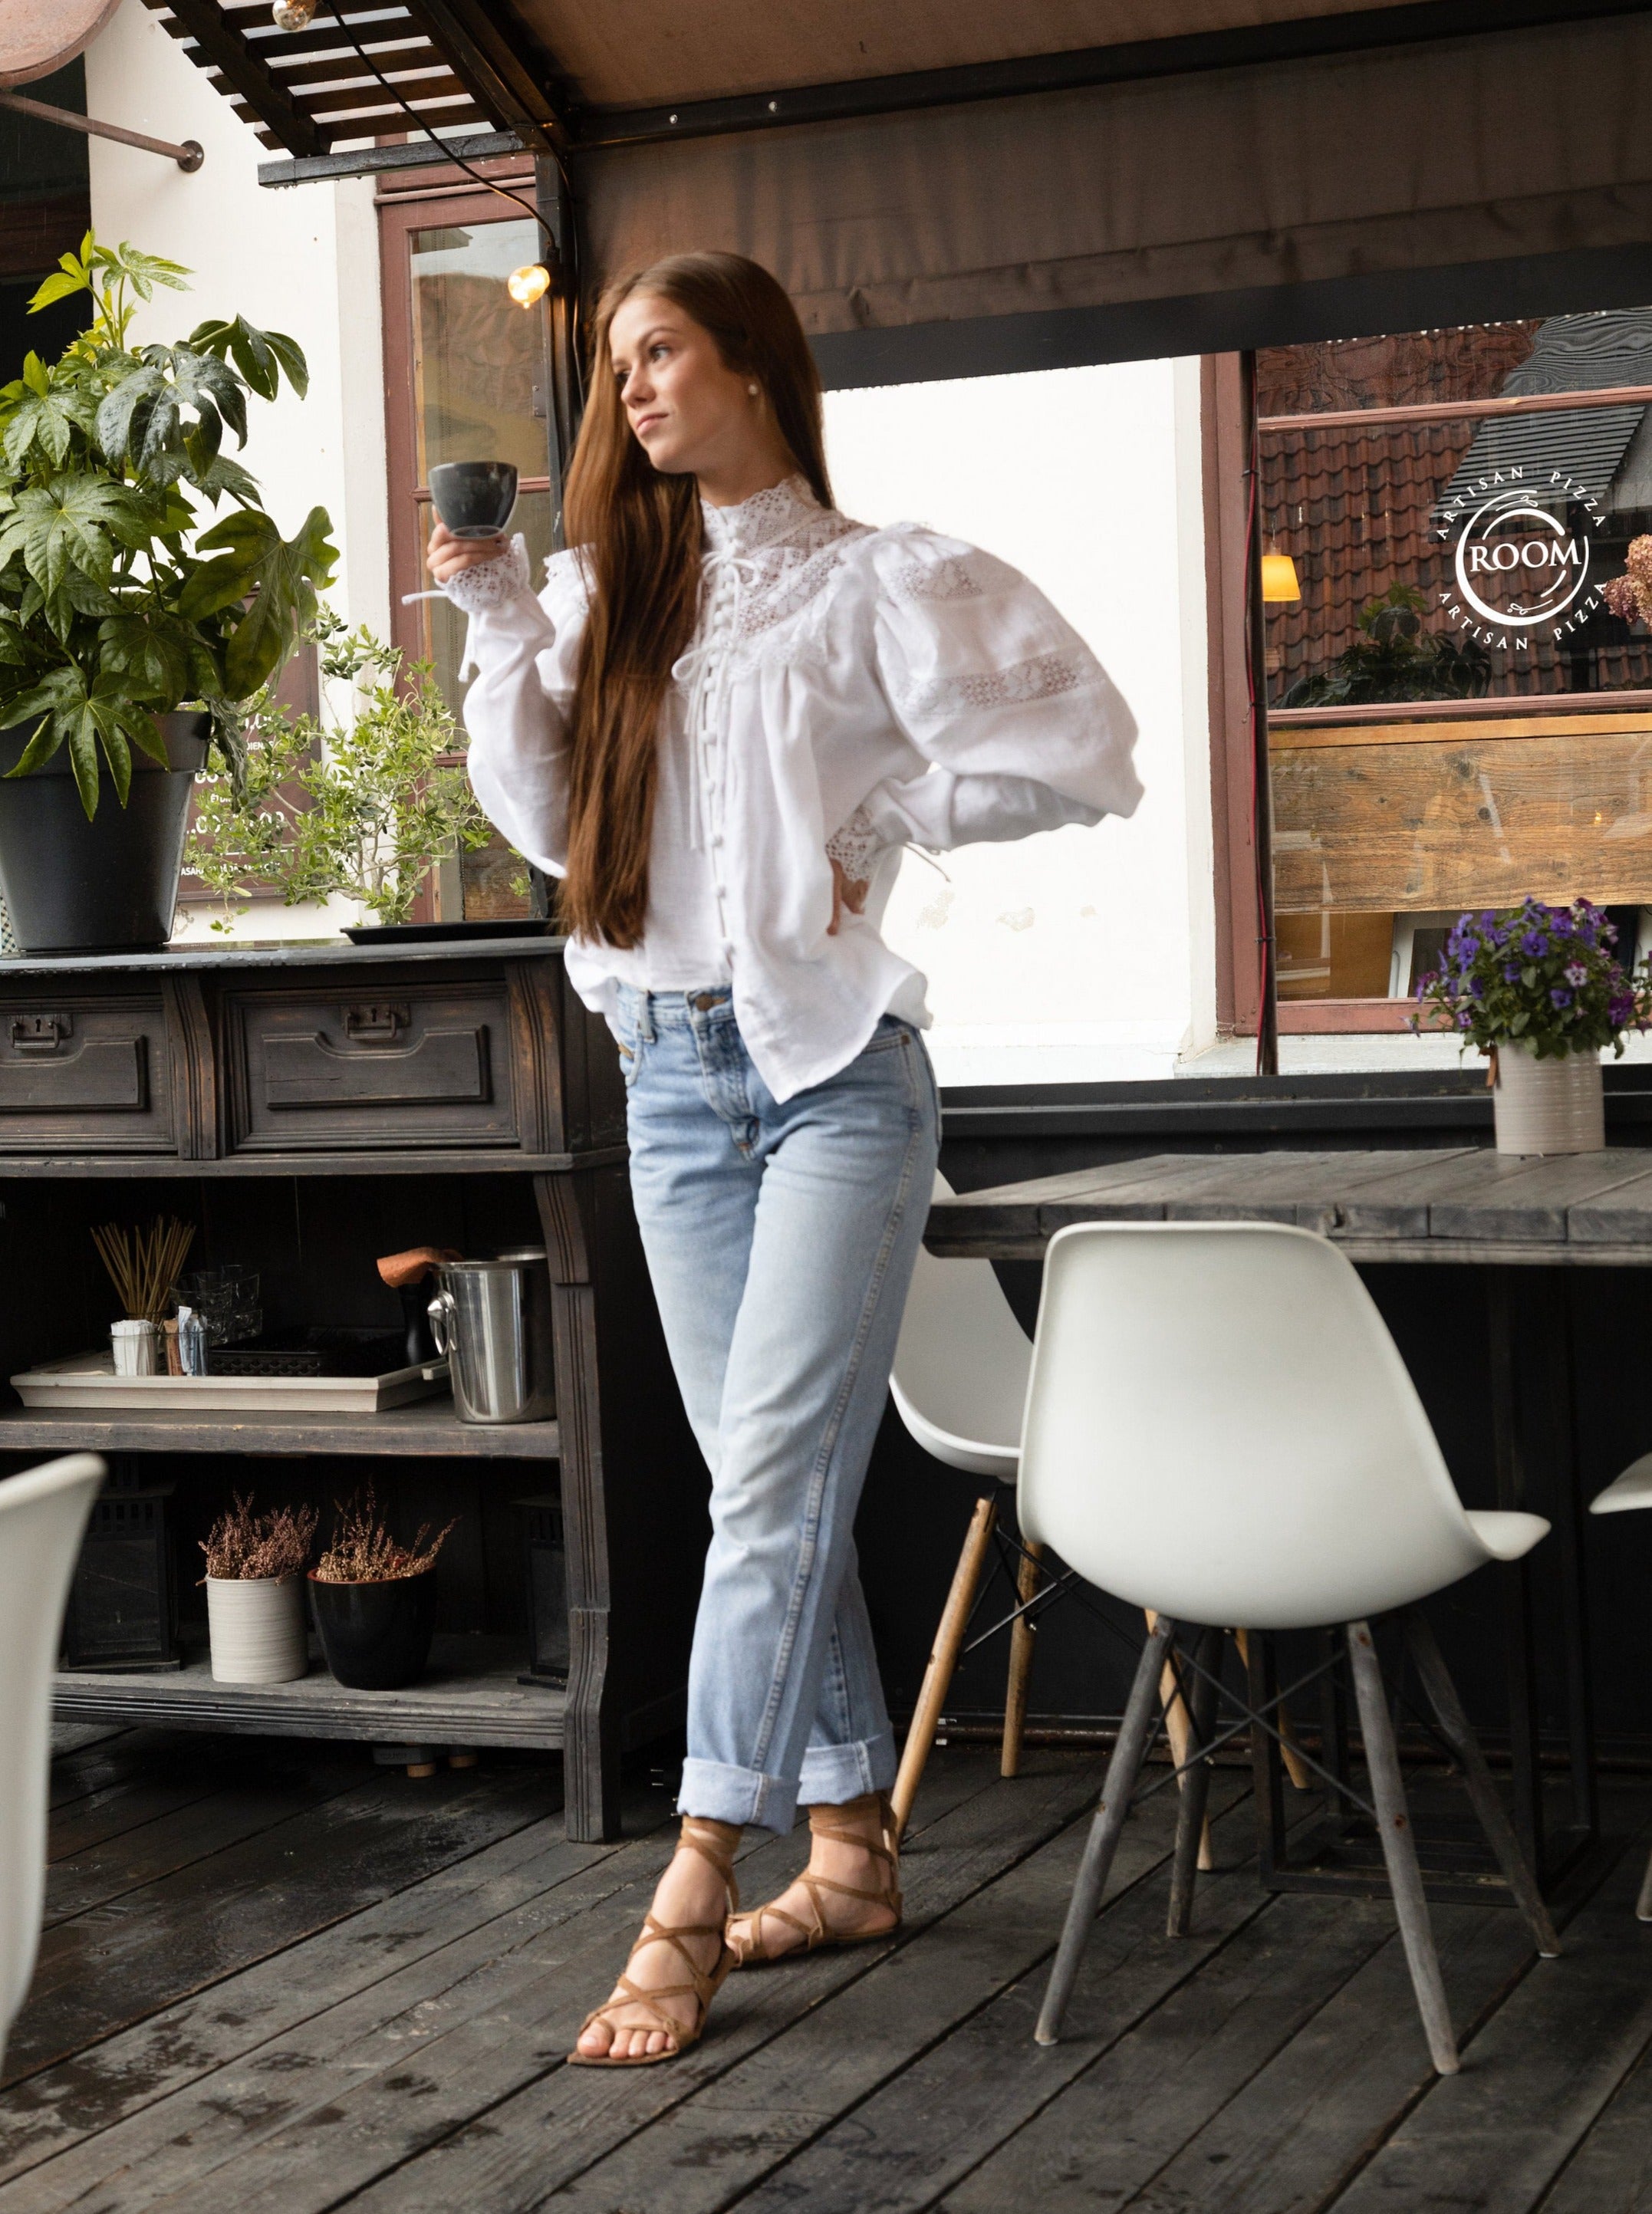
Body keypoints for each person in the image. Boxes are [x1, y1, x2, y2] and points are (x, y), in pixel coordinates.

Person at [428, 251, 1140, 2067]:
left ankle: (689, 1884)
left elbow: (1083, 741)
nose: (631, 392)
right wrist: (501, 625)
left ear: (752, 363)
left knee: (763, 1491)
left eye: (661, 353)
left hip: (835, 1084)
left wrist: (888, 802)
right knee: (775, 1482)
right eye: (616, 368)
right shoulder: (611, 598)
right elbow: (539, 814)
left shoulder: (878, 580)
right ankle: (848, 1846)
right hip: (670, 1088)